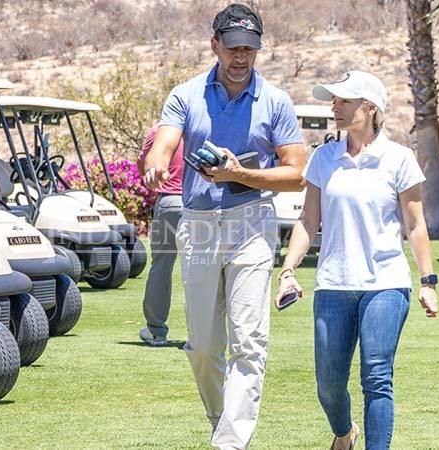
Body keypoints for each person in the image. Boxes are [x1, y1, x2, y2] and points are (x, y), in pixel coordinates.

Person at [143, 4, 306, 449]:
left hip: (252, 222)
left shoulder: (275, 101)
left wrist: (242, 176)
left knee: (249, 341)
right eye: (233, 48)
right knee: (202, 347)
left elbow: (297, 172)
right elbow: (164, 144)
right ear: (214, 45)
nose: (241, 58)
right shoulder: (185, 95)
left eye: (249, 50)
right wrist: (157, 165)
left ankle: (231, 441)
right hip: (197, 224)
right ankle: (221, 419)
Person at [276, 71, 439, 450]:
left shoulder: (399, 158)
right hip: (333, 284)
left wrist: (428, 282)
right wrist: (288, 271)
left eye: (344, 100)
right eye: (334, 100)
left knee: (377, 375)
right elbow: (308, 220)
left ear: (370, 107)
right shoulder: (323, 158)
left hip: (386, 282)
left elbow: (415, 226)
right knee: (329, 384)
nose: (335, 106)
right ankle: (344, 432)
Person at [136, 122, 184, 346]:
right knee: (204, 268)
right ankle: (203, 333)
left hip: (170, 201)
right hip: (201, 204)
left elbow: (145, 168)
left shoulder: (158, 130)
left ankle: (156, 330)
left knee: (161, 267)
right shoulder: (206, 124)